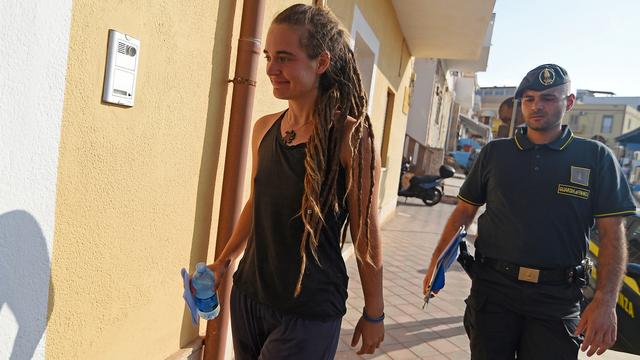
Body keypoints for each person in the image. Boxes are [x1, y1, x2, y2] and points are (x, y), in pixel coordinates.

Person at [202, 4, 384, 359]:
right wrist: (223, 262)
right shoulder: (265, 128)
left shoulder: (351, 139)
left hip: (308, 312)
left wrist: (374, 312)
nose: (271, 68)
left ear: (322, 63)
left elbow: (366, 233)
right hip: (250, 297)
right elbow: (256, 203)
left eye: (284, 58)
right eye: (269, 56)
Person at [422, 64, 636, 359]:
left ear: (569, 102)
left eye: (548, 98)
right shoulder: (494, 154)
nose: (537, 106)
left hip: (557, 300)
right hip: (493, 292)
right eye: (529, 98)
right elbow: (463, 212)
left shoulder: (596, 158)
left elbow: (613, 234)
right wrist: (436, 263)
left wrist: (606, 300)